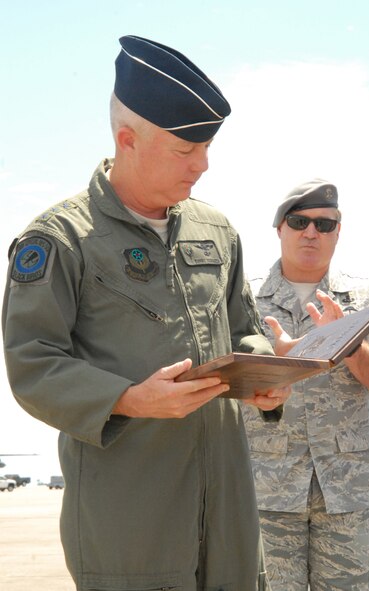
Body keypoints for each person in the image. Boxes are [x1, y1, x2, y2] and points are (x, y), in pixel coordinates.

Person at [2, 35, 289, 591]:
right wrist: (130, 399)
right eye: (185, 151)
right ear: (127, 140)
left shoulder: (216, 231)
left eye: (206, 148)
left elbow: (243, 332)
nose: (202, 165)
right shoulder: (61, 239)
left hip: (228, 513)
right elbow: (32, 363)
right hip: (130, 516)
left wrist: (267, 375)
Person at [242, 178, 369, 591]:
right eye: (299, 221)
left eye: (325, 224)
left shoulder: (365, 299)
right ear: (280, 229)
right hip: (266, 492)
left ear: (338, 231)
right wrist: (267, 367)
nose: (312, 232)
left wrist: (349, 346)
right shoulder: (244, 298)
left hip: (347, 495)